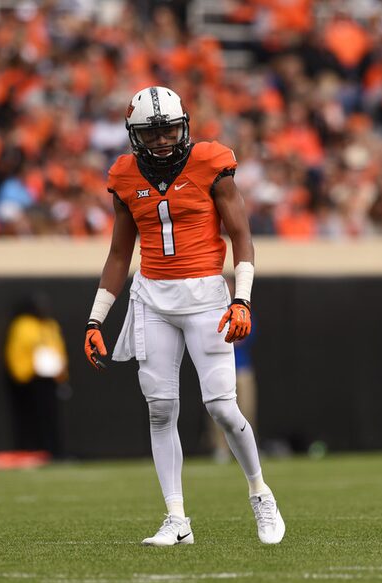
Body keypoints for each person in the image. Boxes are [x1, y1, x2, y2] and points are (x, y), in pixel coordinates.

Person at [83, 86, 284, 545]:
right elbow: (118, 254)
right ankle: (177, 520)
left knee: (222, 408)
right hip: (151, 297)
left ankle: (260, 492)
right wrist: (96, 319)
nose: (162, 140)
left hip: (205, 295)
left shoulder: (212, 164)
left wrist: (243, 299)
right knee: (160, 408)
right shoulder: (123, 175)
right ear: (135, 135)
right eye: (151, 133)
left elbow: (242, 237)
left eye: (169, 129)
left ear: (184, 125)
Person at [4, 294, 69, 457]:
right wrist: (22, 374)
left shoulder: (50, 325)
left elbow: (59, 349)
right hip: (29, 380)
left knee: (51, 417)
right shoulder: (22, 325)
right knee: (29, 418)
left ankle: (53, 451)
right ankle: (31, 451)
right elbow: (16, 351)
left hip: (50, 379)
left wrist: (61, 372)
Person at [207, 278, 259, 463]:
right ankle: (221, 448)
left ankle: (246, 448)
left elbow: (250, 334)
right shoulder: (211, 310)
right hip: (219, 367)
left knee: (246, 408)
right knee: (219, 409)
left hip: (242, 367)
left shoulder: (242, 310)